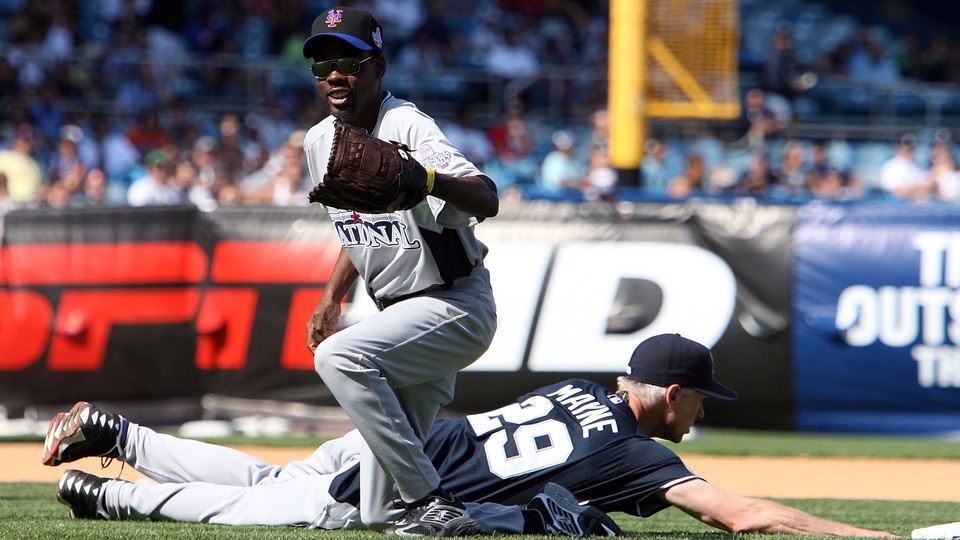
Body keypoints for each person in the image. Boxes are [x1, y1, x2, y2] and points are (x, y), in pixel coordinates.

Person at [42, 334, 895, 537]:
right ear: (669, 396)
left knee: (271, 483)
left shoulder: (573, 387)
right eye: (699, 399)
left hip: (403, 439)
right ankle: (107, 488)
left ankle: (116, 432)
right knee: (270, 510)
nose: (702, 411)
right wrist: (861, 535)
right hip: (408, 485)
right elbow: (740, 515)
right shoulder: (641, 451)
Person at [299, 6, 499, 537]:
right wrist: (330, 298)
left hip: (453, 305)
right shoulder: (318, 142)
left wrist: (423, 176)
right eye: (322, 65)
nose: (334, 75)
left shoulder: (407, 125)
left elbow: (487, 197)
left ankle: (434, 499)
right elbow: (356, 228)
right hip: (402, 319)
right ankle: (525, 517)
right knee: (376, 513)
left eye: (348, 61)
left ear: (378, 67)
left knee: (340, 356)